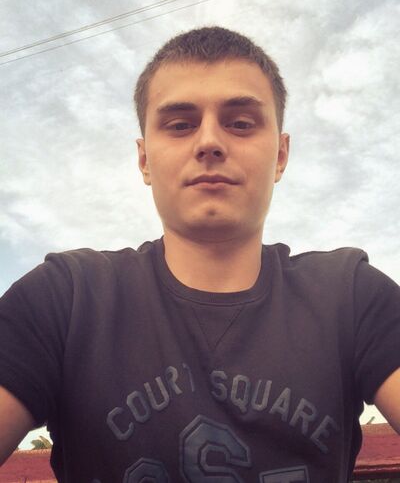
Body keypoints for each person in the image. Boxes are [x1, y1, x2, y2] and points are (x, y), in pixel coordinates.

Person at [0, 26, 399, 483]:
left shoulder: (351, 296)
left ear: (281, 155)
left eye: (241, 123)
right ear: (145, 160)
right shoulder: (65, 298)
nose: (209, 141)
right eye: (180, 124)